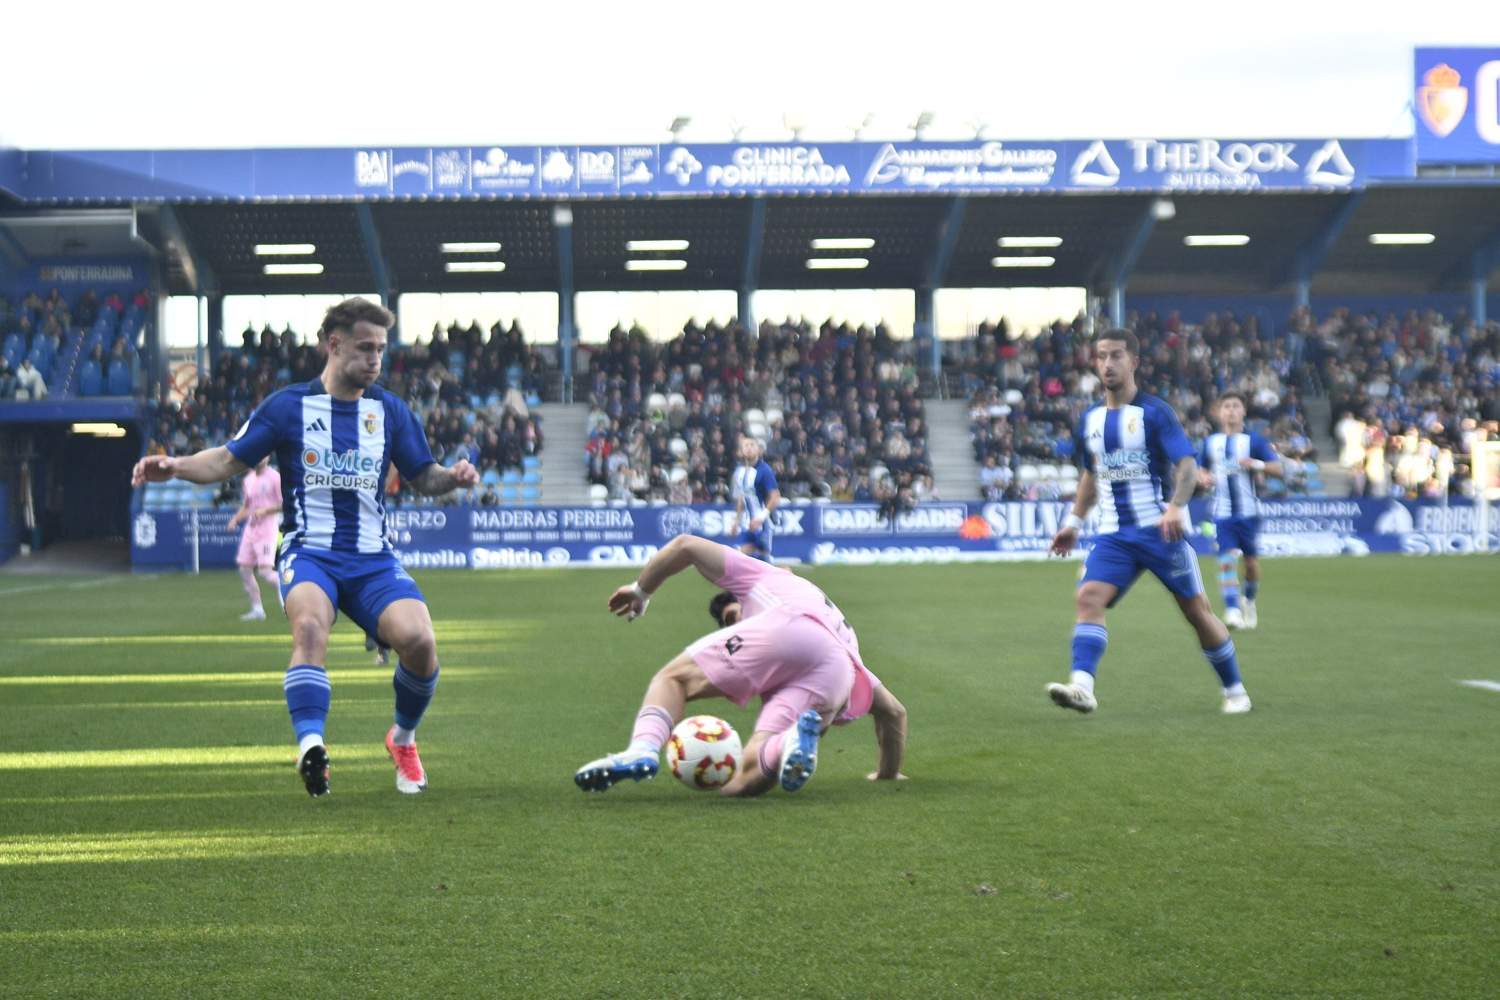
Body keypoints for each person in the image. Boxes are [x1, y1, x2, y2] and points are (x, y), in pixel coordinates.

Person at [132, 297, 478, 797]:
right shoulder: (288, 406)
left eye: (380, 349)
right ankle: (312, 746)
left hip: (372, 558)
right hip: (308, 552)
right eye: (365, 348)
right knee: (311, 627)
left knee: (421, 643)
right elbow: (228, 460)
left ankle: (402, 739)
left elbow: (423, 476)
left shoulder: (389, 411)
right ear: (333, 345)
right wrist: (175, 465)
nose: (375, 359)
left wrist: (453, 477)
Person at [573, 534, 908, 796]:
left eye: (732, 616)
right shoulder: (834, 627)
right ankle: (786, 742)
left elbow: (686, 545)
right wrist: (887, 773)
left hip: (786, 627)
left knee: (673, 680)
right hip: (838, 671)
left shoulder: (761, 576)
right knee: (744, 782)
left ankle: (642, 749)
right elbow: (893, 713)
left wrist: (640, 591)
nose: (734, 622)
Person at [1046, 329, 1251, 716]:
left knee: (1196, 611)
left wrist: (1176, 506)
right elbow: (1093, 475)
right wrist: (1073, 521)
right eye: (1102, 356)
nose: (1108, 364)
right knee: (1088, 598)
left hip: (1160, 532)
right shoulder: (1089, 420)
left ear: (1134, 361)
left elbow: (1187, 467)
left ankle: (1235, 689)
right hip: (1113, 536)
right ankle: (1082, 687)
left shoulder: (1155, 414)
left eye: (1117, 355)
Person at [1198, 393, 1282, 630]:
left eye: (1236, 406)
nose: (1231, 410)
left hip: (1248, 513)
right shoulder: (1210, 443)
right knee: (1225, 561)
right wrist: (1204, 477)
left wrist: (1256, 464)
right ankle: (1232, 609)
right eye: (1227, 406)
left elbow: (1278, 469)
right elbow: (1199, 469)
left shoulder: (1253, 441)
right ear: (1219, 412)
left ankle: (1249, 600)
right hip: (1223, 513)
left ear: (1243, 412)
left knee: (1251, 564)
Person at [226, 455, 282, 621]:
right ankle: (257, 610)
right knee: (244, 569)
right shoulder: (248, 479)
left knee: (265, 571)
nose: (259, 458)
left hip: (267, 529)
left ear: (268, 457)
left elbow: (284, 503)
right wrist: (236, 519)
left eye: (263, 455)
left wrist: (265, 511)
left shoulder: (275, 477)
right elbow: (247, 506)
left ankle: (288, 587)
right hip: (251, 529)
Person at [730, 437, 782, 562]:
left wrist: (760, 518)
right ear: (741, 451)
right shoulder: (739, 472)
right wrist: (736, 521)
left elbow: (775, 497)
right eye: (746, 446)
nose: (749, 448)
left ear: (759, 450)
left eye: (752, 445)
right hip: (747, 523)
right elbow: (741, 498)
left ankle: (788, 575)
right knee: (744, 560)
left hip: (763, 523)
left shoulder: (765, 470)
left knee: (764, 563)